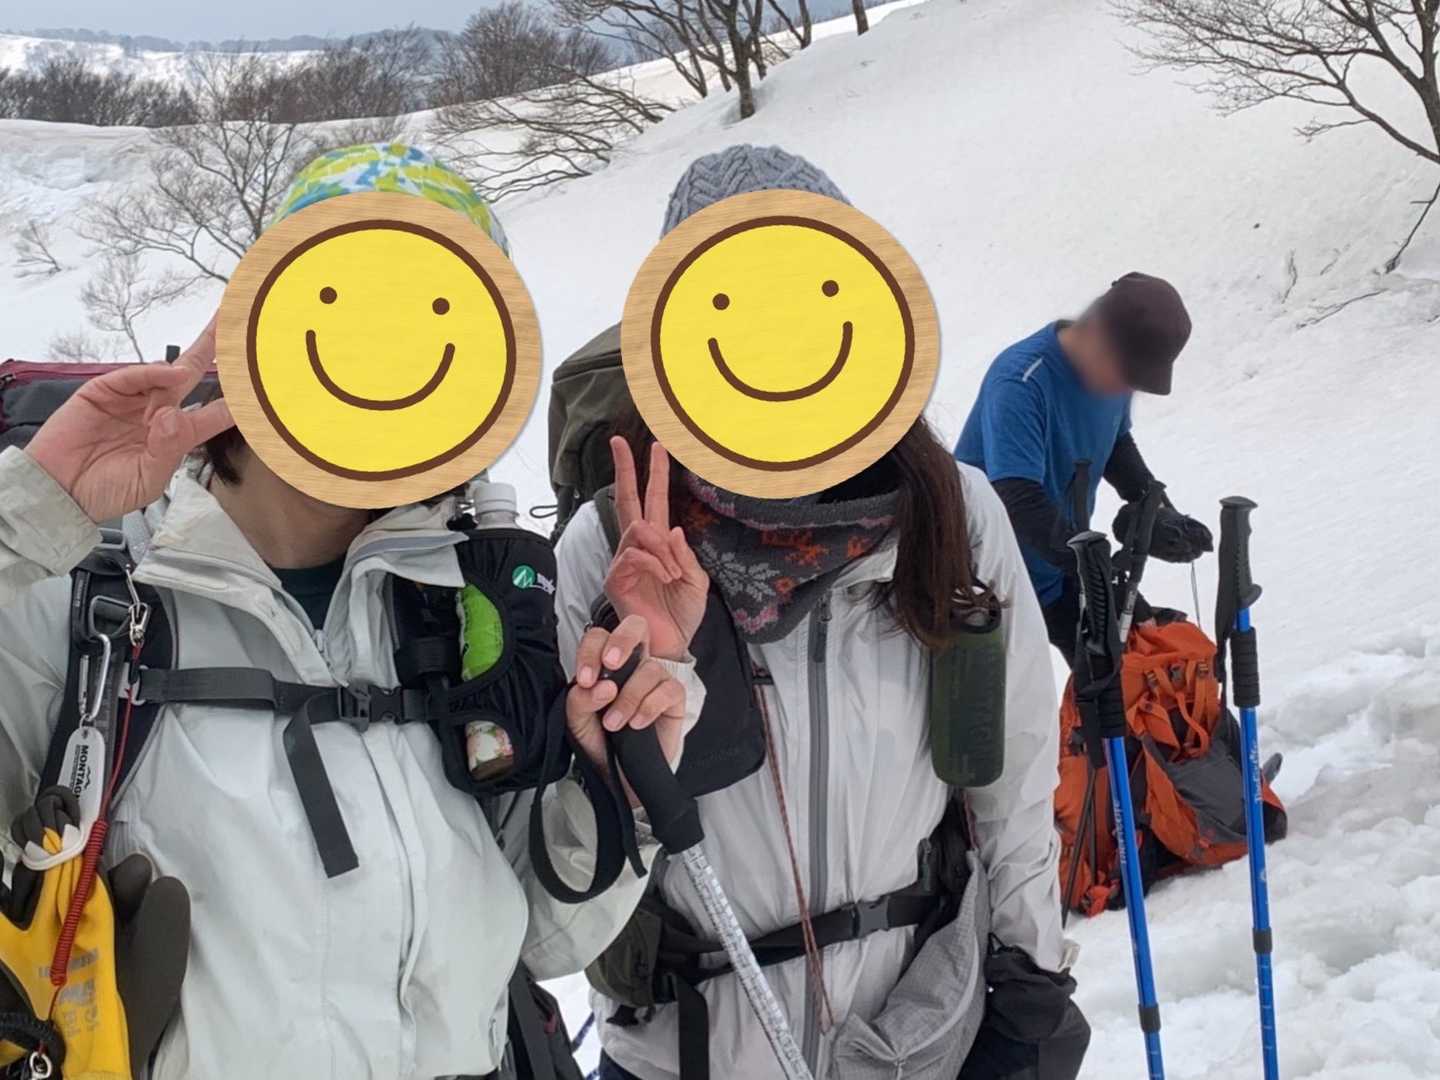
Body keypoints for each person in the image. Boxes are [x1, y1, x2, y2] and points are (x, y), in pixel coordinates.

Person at [0, 145, 699, 1078]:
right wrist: (27, 515)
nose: (387, 364)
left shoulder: (456, 607)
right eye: (354, 311)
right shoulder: (80, 606)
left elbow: (539, 939)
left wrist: (615, 785)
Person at [555, 145, 1086, 1080]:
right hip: (687, 1051)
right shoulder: (613, 544)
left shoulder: (950, 515)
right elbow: (572, 862)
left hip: (915, 1036)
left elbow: (1013, 775)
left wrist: (1029, 975)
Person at [954, 274, 1214, 664]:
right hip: (984, 584)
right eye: (1127, 376)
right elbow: (1017, 499)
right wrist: (1099, 574)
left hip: (1056, 568)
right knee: (1012, 700)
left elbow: (1115, 443)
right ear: (1096, 335)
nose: (1126, 390)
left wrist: (1153, 507)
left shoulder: (1112, 372)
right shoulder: (1021, 382)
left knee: (1120, 680)